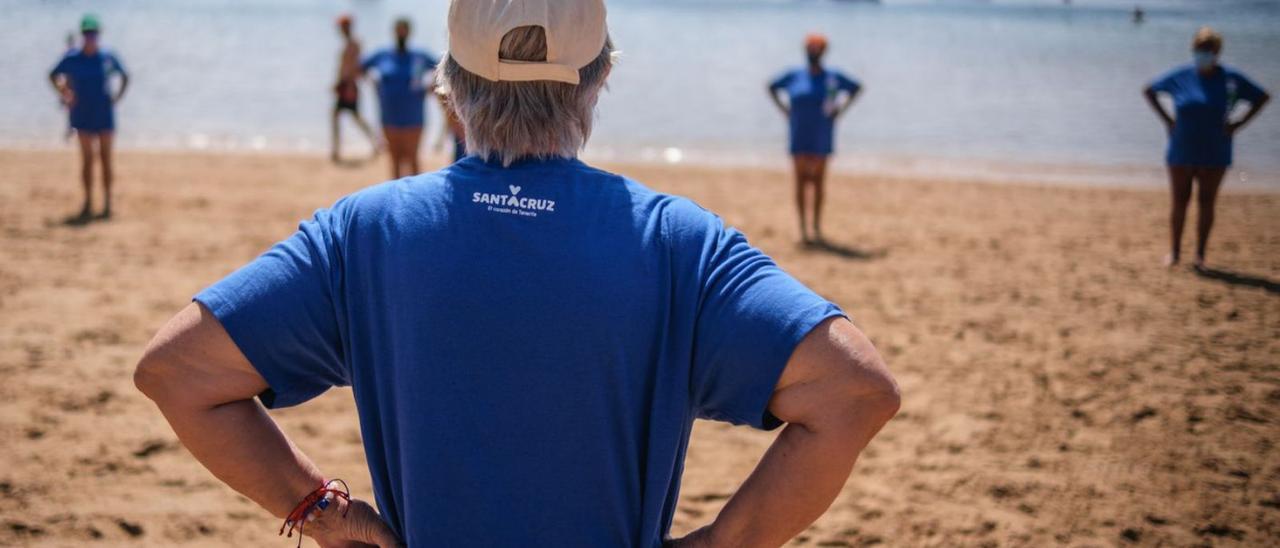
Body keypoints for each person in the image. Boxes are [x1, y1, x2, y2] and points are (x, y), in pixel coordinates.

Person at [134, 1, 901, 546]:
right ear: (598, 81)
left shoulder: (364, 231)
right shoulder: (677, 241)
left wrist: (321, 510)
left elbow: (177, 372)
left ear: (450, 89)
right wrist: (724, 542)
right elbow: (856, 391)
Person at [1144, 27, 1269, 269]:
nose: (1204, 54)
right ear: (1194, 50)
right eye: (1200, 49)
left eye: (1209, 50)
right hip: (1182, 148)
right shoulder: (1181, 76)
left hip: (1216, 149)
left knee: (1206, 201)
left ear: (1218, 52)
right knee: (1180, 200)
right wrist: (1168, 121)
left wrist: (1238, 124)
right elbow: (1149, 91)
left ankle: (1200, 254)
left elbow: (1261, 97)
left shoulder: (1230, 79)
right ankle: (1175, 252)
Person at [769, 34, 861, 245]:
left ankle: (817, 227)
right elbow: (771, 87)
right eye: (811, 48)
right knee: (800, 181)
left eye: (817, 48)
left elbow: (856, 88)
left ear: (824, 51)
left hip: (822, 134)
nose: (813, 52)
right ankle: (803, 229)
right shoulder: (794, 75)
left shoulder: (833, 77)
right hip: (799, 133)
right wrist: (784, 110)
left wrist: (841, 110)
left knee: (818, 182)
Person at [49, 14, 129, 220]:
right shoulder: (72, 58)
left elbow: (125, 76)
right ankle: (87, 202)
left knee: (105, 159)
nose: (90, 37)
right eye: (87, 33)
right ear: (82, 35)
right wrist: (65, 93)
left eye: (93, 33)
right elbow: (53, 75)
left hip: (104, 112)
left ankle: (108, 203)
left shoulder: (107, 57)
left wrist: (117, 98)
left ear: (99, 35)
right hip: (82, 114)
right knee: (87, 160)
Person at [361, 17, 438, 179]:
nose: (401, 33)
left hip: (414, 117)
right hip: (389, 116)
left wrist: (432, 86)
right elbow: (360, 68)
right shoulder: (383, 55)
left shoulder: (419, 56)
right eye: (398, 30)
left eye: (404, 30)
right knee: (394, 160)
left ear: (409, 32)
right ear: (394, 32)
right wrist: (372, 83)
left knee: (412, 159)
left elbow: (443, 68)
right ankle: (396, 199)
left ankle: (415, 198)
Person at [331, 13, 379, 164]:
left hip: (349, 85)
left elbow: (355, 67)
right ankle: (337, 149)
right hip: (345, 85)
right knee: (345, 117)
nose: (341, 30)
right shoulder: (349, 44)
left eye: (342, 27)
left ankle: (376, 142)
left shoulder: (353, 44)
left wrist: (348, 85)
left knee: (353, 117)